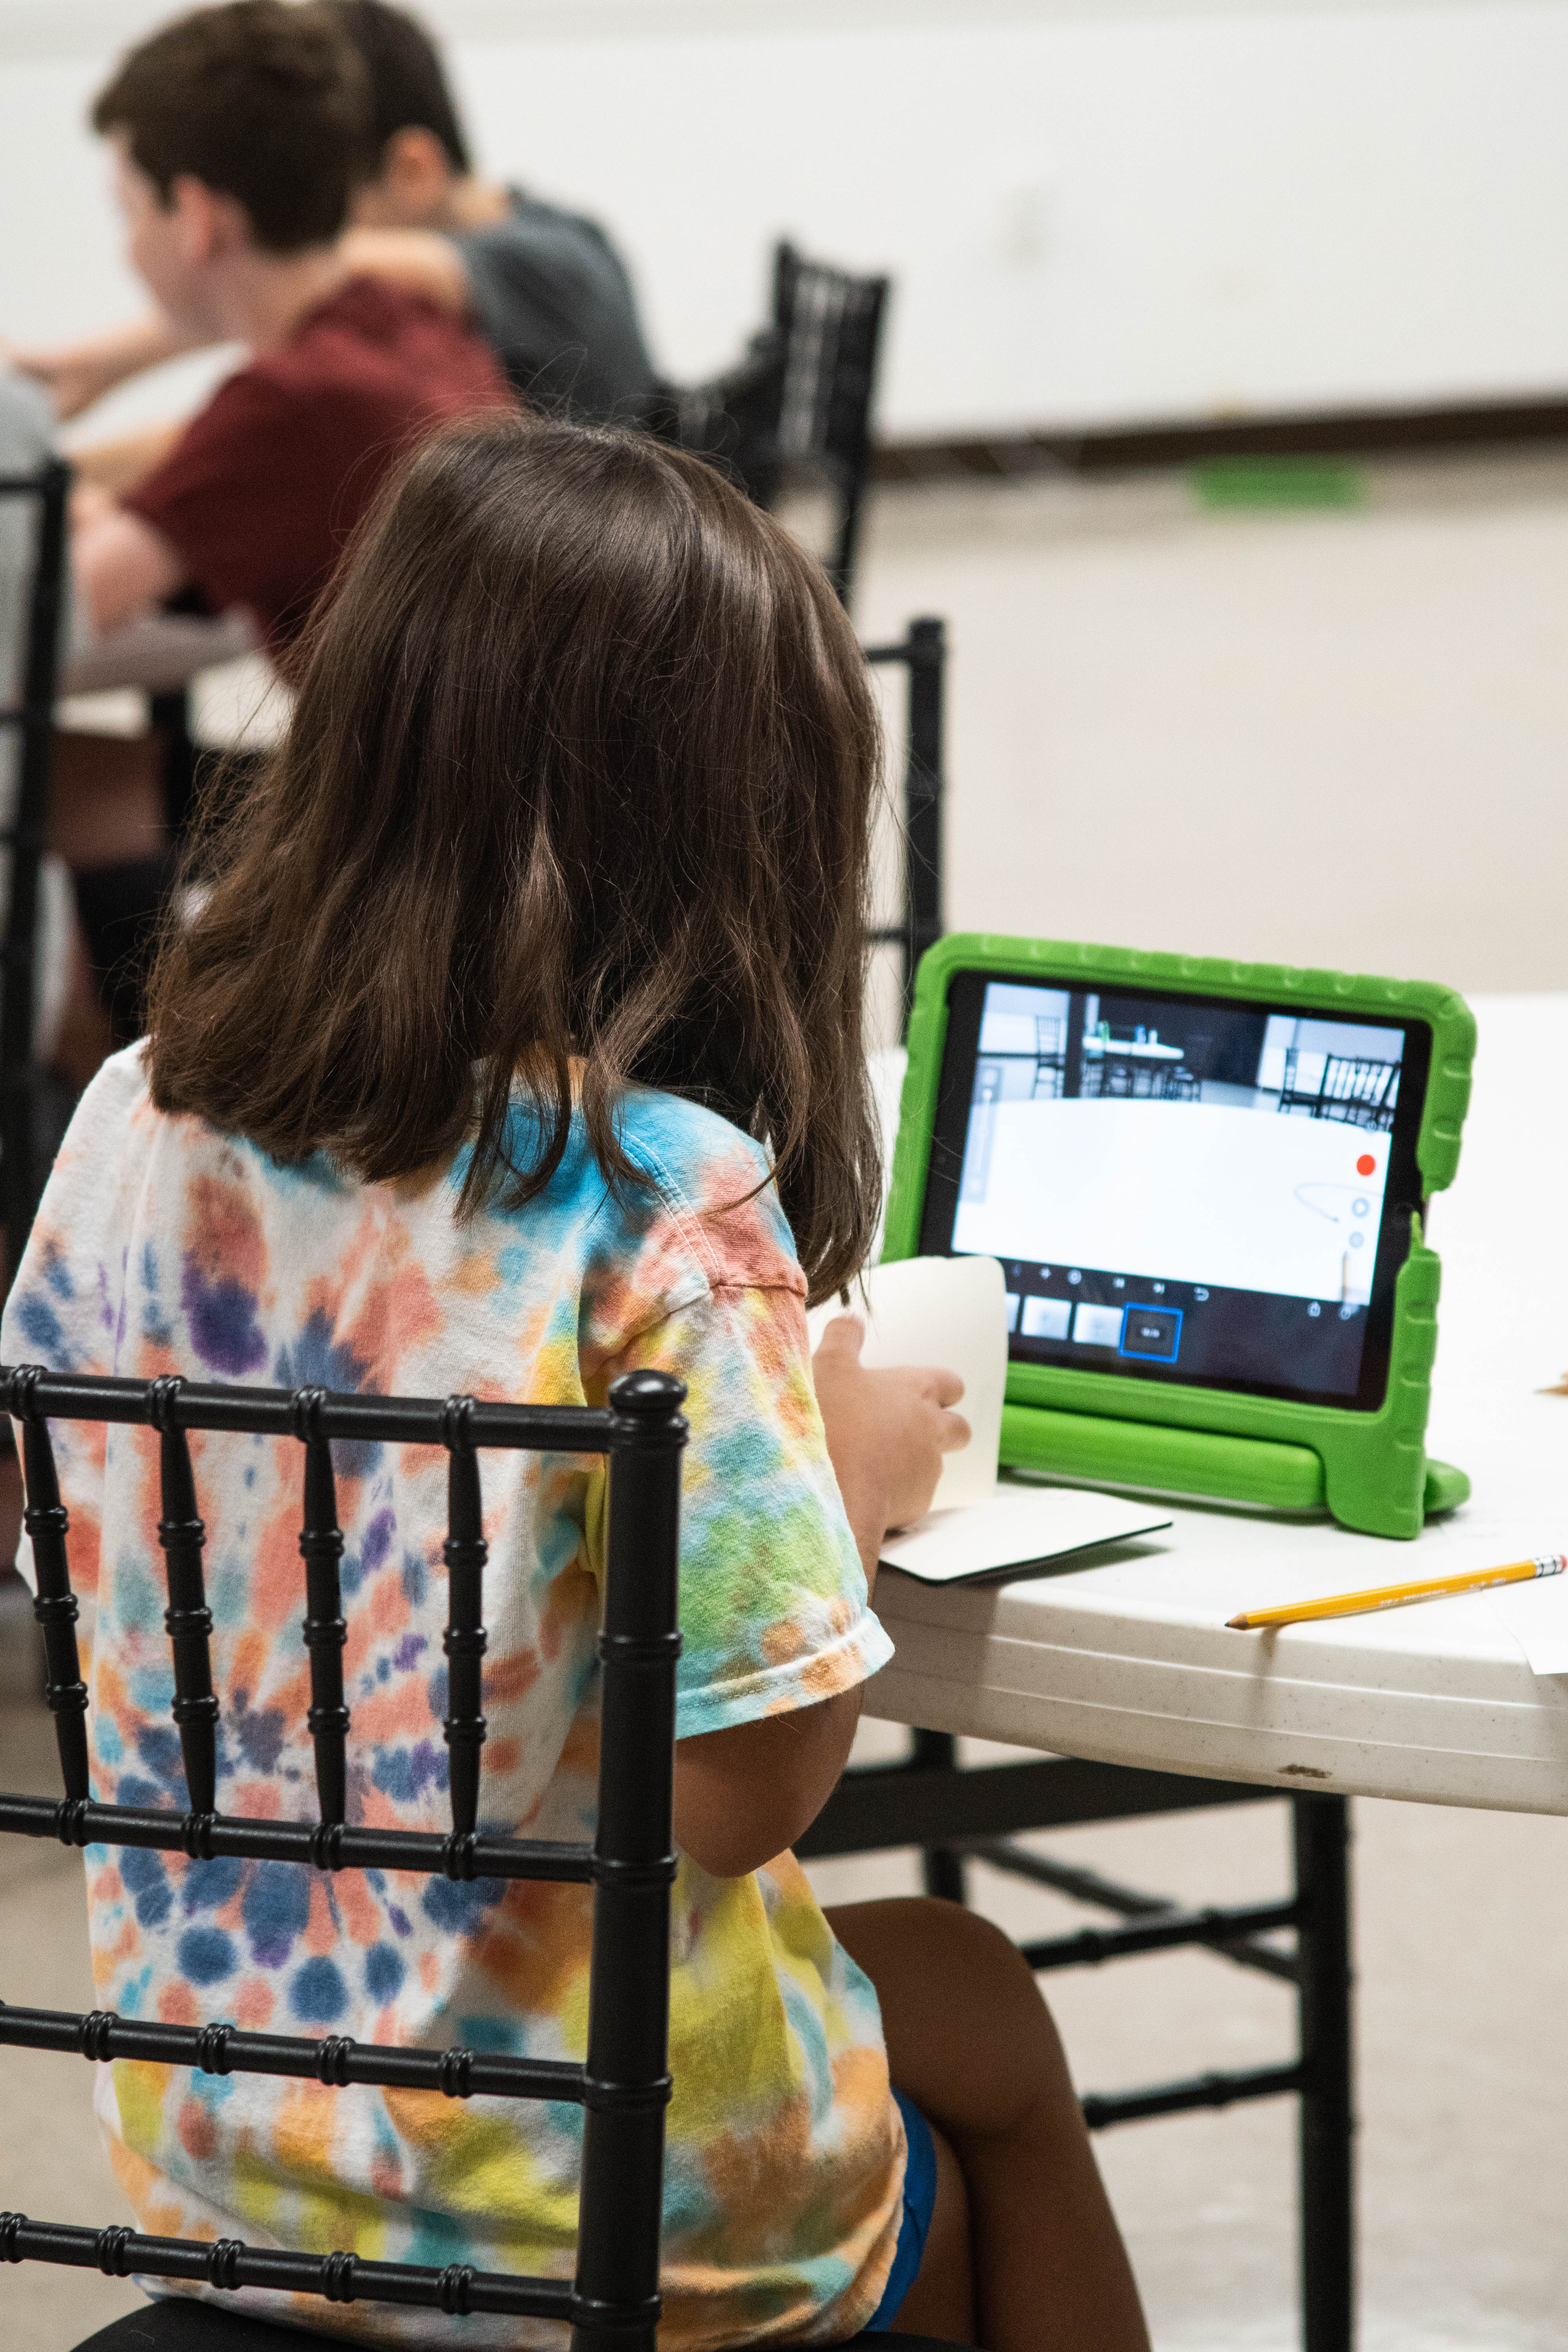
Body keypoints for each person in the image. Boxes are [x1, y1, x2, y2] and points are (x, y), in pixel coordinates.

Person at [2, 415, 1149, 2352]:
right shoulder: (661, 1194)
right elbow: (734, 1798)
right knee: (989, 2047)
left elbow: (70, 1547)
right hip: (597, 2199)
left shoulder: (134, 1115)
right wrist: (841, 1487)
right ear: (729, 843)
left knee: (952, 1977)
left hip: (232, 2144)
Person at [50, 0, 510, 1046]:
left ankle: (105, 1107)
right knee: (87, 781)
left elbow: (56, 611)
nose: (129, 246)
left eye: (131, 211)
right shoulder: (403, 327)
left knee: (45, 784)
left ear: (199, 219)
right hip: (501, 809)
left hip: (413, 850)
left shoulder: (291, 402)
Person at [15, 0, 658, 446]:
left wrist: (104, 362)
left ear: (413, 168)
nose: (307, 217)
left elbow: (293, 260)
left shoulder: (551, 263)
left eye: (326, 201)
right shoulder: (435, 305)